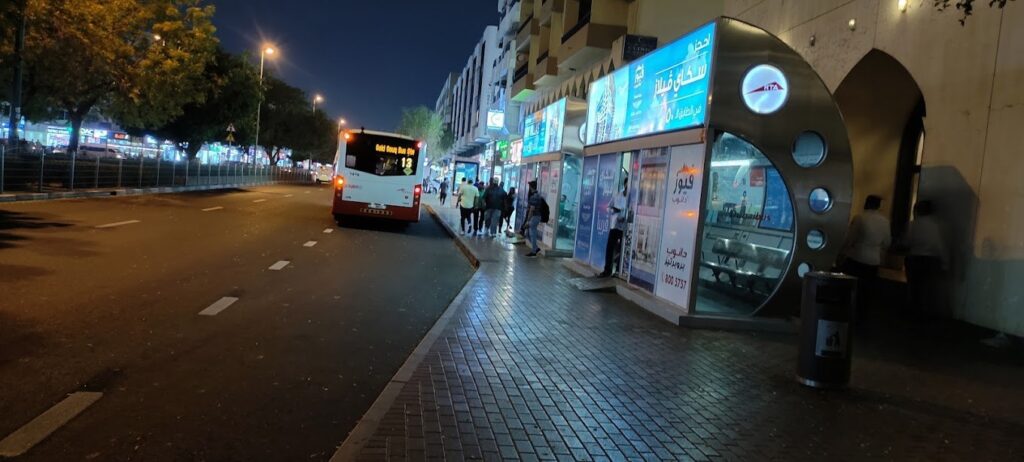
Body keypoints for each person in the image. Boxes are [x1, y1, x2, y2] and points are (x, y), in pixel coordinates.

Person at [839, 195, 891, 317]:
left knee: (851, 289)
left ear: (866, 203)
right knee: (867, 292)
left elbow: (849, 239)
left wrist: (842, 252)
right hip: (874, 260)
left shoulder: (860, 218)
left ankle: (848, 313)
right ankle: (862, 316)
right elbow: (887, 243)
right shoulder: (885, 221)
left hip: (857, 257)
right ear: (878, 206)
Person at [901, 200, 947, 314]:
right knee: (927, 288)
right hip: (931, 260)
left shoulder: (912, 225)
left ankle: (913, 311)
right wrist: (945, 263)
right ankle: (925, 312)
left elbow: (906, 242)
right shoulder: (935, 226)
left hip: (914, 259)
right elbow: (939, 246)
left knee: (914, 287)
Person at [600, 179, 628, 277]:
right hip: (614, 225)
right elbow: (608, 207)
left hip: (624, 227)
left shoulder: (632, 199)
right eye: (626, 184)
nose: (628, 187)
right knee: (610, 248)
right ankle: (607, 270)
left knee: (622, 249)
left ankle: (618, 271)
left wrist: (625, 216)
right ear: (624, 185)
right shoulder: (617, 196)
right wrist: (614, 210)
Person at [525, 180, 547, 257]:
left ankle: (534, 251)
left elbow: (532, 209)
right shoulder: (538, 195)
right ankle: (535, 248)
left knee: (531, 234)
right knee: (529, 233)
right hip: (537, 216)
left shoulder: (534, 197)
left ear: (531, 187)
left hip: (534, 217)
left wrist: (528, 220)